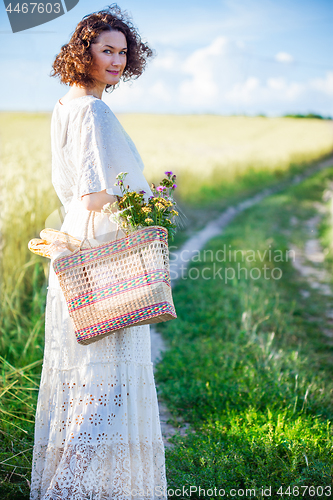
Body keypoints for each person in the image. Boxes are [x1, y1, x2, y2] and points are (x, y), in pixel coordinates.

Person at [30, 5, 168, 499]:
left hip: (74, 240)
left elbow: (74, 193)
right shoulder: (93, 110)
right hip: (101, 248)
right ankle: (76, 487)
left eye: (122, 52)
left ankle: (81, 481)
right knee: (107, 378)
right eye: (105, 50)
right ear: (82, 51)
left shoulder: (64, 105)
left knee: (84, 371)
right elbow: (93, 195)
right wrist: (147, 199)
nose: (115, 60)